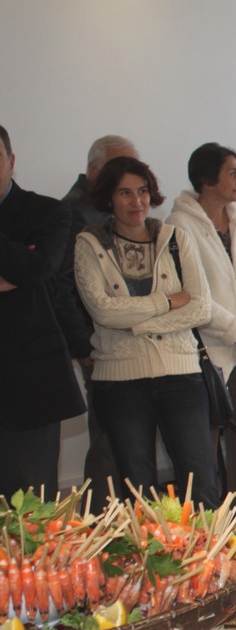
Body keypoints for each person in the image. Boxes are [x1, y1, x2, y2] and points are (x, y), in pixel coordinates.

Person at [73, 156, 217, 507]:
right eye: (125, 192)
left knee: (201, 484)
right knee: (138, 490)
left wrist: (134, 322)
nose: (136, 201)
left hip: (182, 376)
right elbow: (102, 311)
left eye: (142, 191)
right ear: (109, 197)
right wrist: (166, 302)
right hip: (120, 383)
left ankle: (208, 545)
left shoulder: (175, 238)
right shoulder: (89, 243)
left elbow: (201, 308)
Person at [167, 143, 236, 515]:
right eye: (232, 172)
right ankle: (207, 527)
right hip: (206, 353)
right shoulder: (178, 225)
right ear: (207, 179)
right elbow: (191, 294)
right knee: (202, 448)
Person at [0, 124, 86, 497]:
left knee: (31, 507)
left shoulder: (47, 212)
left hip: (28, 383)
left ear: (11, 161)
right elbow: (21, 268)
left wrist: (22, 269)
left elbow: (36, 270)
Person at [59, 135, 137, 508]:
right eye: (119, 165)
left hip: (130, 341)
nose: (128, 174)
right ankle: (105, 519)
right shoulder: (73, 213)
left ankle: (128, 516)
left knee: (129, 438)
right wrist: (82, 345)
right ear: (93, 170)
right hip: (99, 345)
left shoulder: (120, 211)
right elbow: (62, 289)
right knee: (110, 439)